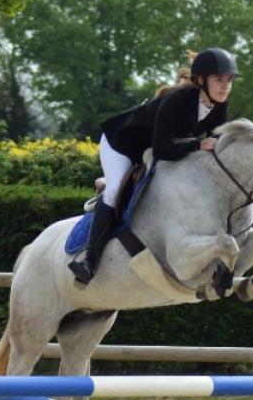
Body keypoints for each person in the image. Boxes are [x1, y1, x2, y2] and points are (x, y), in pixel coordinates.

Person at [68, 47, 240, 285]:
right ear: (200, 80)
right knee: (116, 189)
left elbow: (215, 144)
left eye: (229, 80)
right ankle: (89, 259)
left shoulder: (220, 104)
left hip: (153, 146)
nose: (225, 86)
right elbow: (163, 150)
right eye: (219, 79)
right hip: (123, 144)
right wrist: (198, 146)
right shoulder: (176, 100)